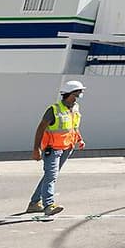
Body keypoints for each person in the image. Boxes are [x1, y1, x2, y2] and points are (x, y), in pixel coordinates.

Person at [28, 80, 87, 216]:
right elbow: (40, 129)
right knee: (51, 176)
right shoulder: (53, 110)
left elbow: (73, 127)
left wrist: (79, 139)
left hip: (67, 148)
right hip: (52, 149)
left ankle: (34, 203)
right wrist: (36, 149)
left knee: (49, 176)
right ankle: (49, 205)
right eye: (78, 93)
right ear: (70, 93)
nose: (79, 96)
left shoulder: (75, 108)